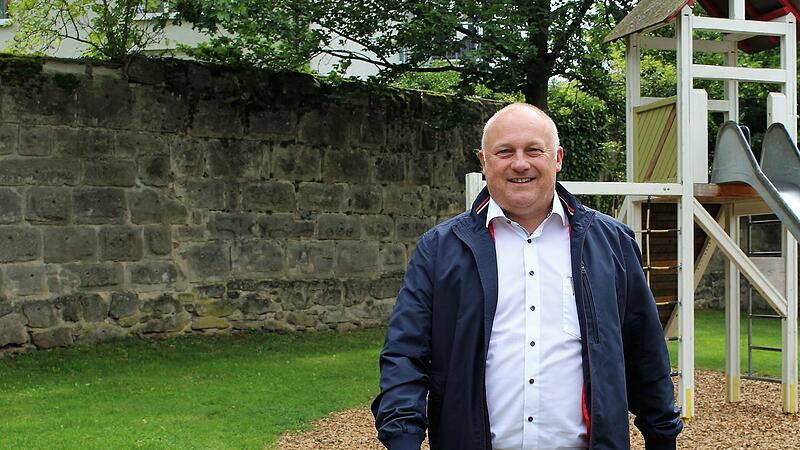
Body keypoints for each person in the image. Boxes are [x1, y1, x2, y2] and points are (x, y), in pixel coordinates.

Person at [371, 103, 683, 450]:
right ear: (484, 161)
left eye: (534, 150)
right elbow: (405, 353)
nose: (520, 163)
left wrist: (662, 435)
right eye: (505, 152)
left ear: (558, 157)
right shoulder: (441, 249)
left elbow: (646, 352)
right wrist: (402, 437)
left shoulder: (611, 243)